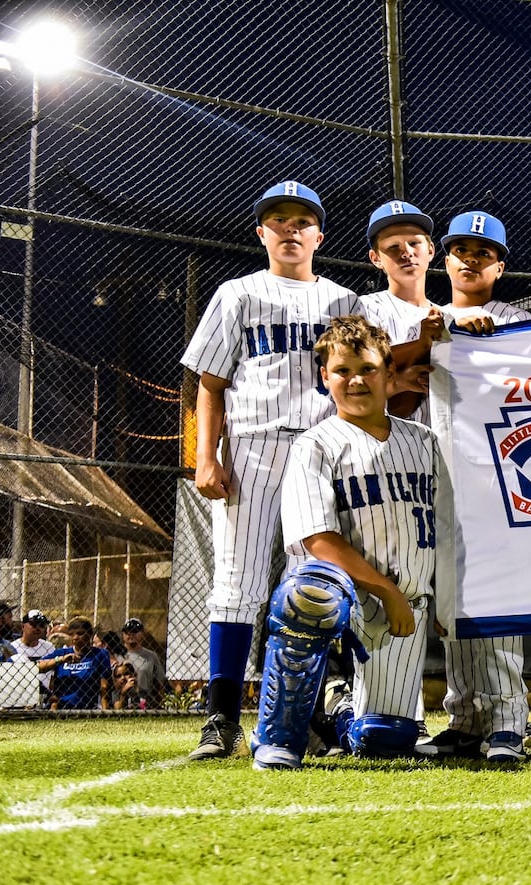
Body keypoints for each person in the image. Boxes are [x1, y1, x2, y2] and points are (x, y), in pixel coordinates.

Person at [180, 181, 359, 760]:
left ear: (318, 236)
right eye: (277, 220)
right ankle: (222, 716)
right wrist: (206, 456)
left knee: (316, 587)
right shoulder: (237, 294)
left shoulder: (343, 301)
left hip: (322, 450)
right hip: (253, 448)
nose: (289, 229)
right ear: (261, 233)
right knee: (237, 583)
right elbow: (210, 382)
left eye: (301, 221)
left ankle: (304, 717)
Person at [251, 315, 440, 768]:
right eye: (343, 371)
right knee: (307, 596)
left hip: (405, 607)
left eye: (368, 369)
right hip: (347, 597)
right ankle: (279, 736)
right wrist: (387, 590)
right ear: (325, 378)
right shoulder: (315, 444)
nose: (356, 380)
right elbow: (318, 539)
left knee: (386, 739)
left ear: (390, 375)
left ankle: (339, 716)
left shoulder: (424, 442)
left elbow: (446, 528)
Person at [416, 211, 531, 764]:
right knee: (450, 599)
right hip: (433, 471)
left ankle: (509, 720)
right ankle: (465, 718)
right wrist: (429, 336)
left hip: (497, 473)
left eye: (483, 251)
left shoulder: (516, 317)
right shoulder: (426, 319)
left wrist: (502, 337)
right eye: (461, 248)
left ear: (500, 266)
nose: (470, 257)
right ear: (445, 258)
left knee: (497, 591)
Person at [358, 199, 447, 422]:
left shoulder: (451, 316)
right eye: (393, 247)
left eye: (414, 243)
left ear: (431, 250)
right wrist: (422, 345)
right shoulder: (364, 308)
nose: (406, 253)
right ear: (375, 258)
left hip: (445, 444)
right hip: (385, 442)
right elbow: (362, 375)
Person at [34, 617, 113, 710]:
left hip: (88, 707)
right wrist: (60, 660)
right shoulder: (61, 653)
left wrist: (105, 710)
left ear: (90, 634)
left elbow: (104, 686)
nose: (75, 637)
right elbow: (36, 667)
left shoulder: (100, 654)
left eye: (80, 633)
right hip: (61, 706)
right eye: (72, 634)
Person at [12, 610, 56, 706]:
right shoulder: (13, 647)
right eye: (34, 624)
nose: (37, 628)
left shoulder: (49, 647)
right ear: (23, 626)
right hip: (20, 697)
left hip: (44, 698)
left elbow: (52, 676)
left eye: (41, 625)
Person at [120, 618, 166, 708]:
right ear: (123, 634)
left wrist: (161, 703)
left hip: (144, 700)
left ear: (143, 634)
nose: (131, 634)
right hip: (122, 698)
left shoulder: (151, 656)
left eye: (135, 631)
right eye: (127, 631)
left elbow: (160, 683)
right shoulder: (118, 654)